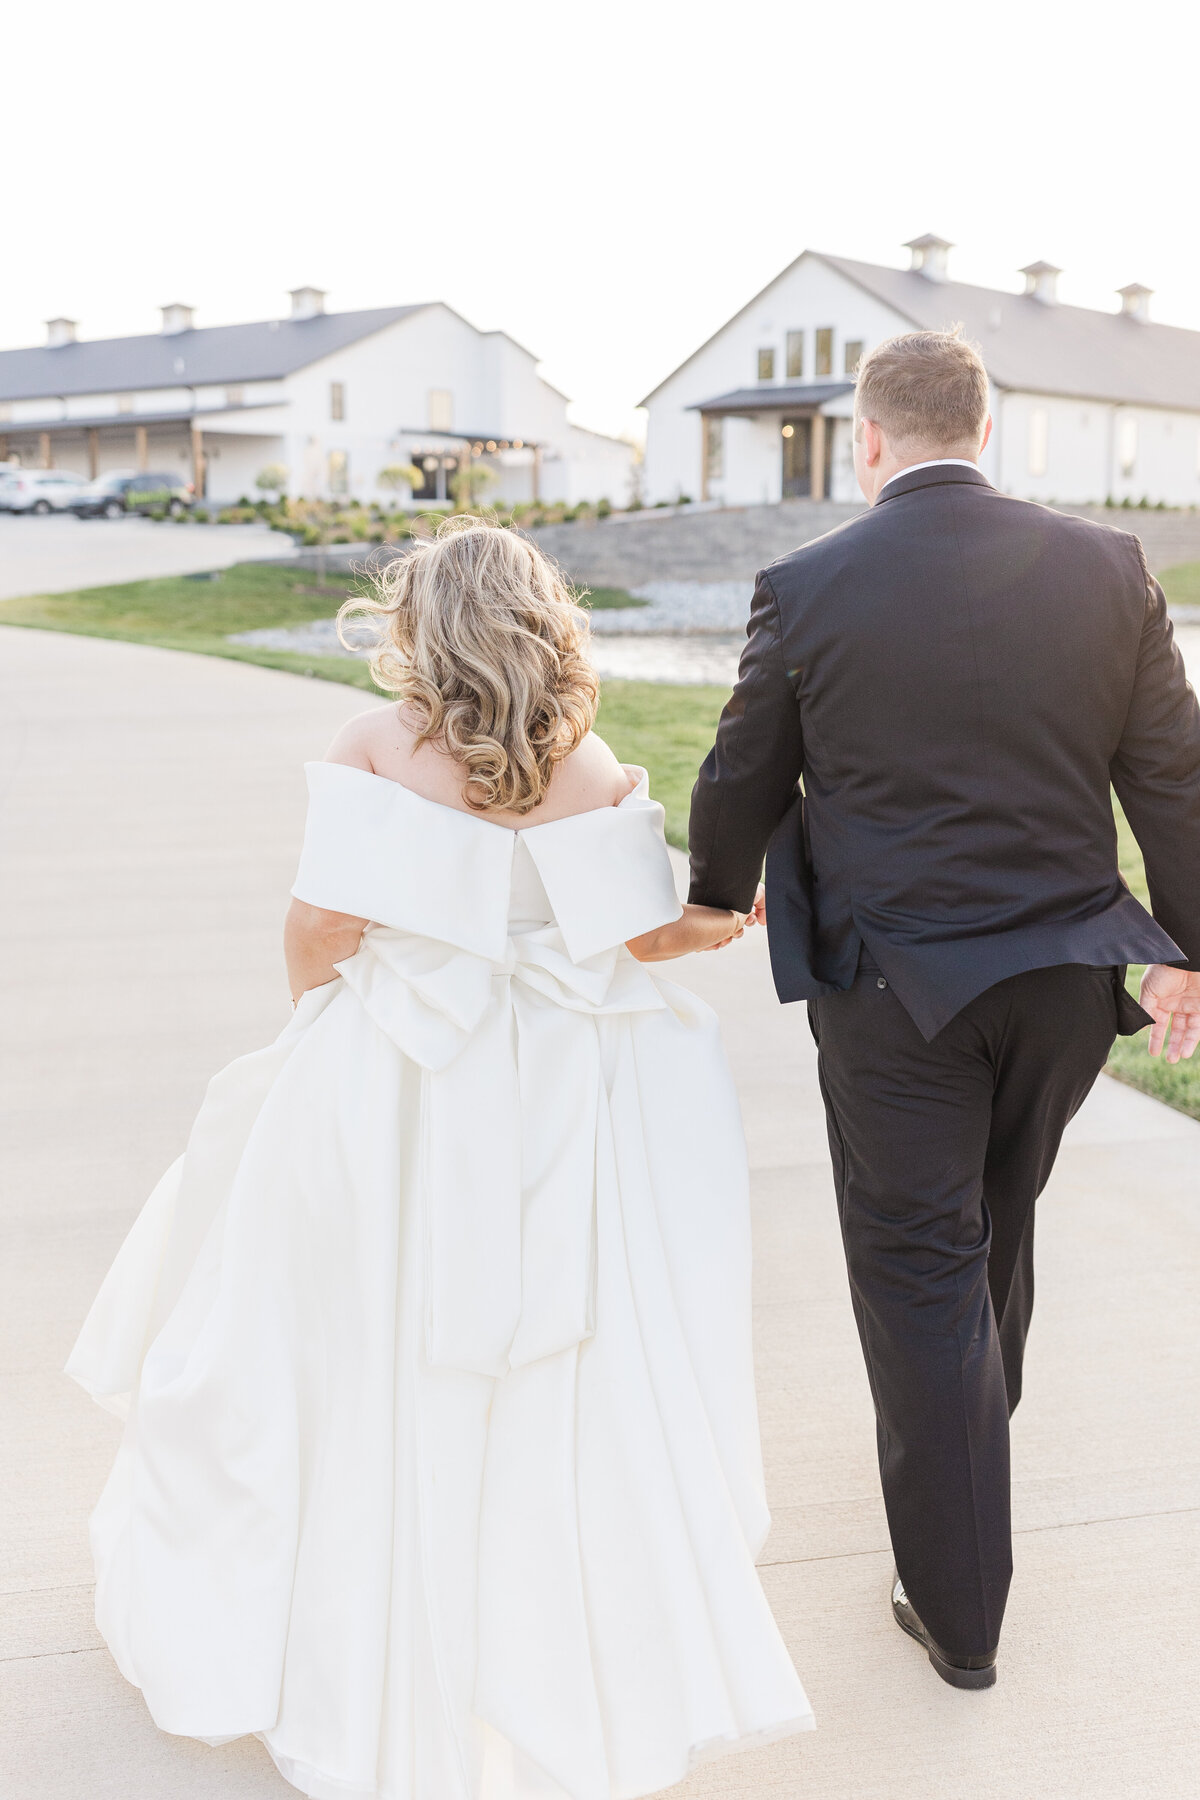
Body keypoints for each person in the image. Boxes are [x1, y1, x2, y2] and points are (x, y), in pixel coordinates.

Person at [67, 517, 813, 1800]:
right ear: (543, 623)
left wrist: (312, 1027)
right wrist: (720, 928)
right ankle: (542, 1642)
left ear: (420, 625)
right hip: (555, 1097)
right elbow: (639, 941)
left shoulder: (373, 746)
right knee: (548, 1374)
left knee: (345, 1344)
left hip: (397, 1075)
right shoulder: (593, 767)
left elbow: (322, 923)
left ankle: (349, 1627)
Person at [688, 329, 1200, 1691]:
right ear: (988, 427)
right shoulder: (1109, 568)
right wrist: (1190, 950)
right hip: (1063, 993)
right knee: (990, 1228)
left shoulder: (808, 584)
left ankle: (958, 1608)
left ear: (868, 439)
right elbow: (1176, 776)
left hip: (895, 995)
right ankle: (968, 1458)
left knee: (919, 1269)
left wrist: (715, 888)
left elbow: (743, 770)